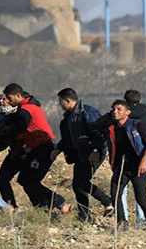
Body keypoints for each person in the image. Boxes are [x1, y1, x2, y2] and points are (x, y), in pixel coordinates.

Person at [0, 83, 69, 213]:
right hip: (32, 148)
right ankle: (43, 209)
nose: (7, 101)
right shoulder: (25, 107)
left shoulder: (25, 111)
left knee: (28, 181)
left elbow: (17, 131)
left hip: (41, 149)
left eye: (9, 98)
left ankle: (56, 204)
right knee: (24, 180)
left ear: (18, 96)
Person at [93, 100, 146, 231]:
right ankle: (122, 223)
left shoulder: (137, 125)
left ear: (127, 112)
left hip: (138, 166)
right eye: (113, 109)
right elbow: (96, 127)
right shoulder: (110, 128)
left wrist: (144, 162)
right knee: (115, 194)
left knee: (141, 198)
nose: (115, 112)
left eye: (119, 109)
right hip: (120, 166)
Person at [52, 88, 112, 222]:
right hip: (80, 154)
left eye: (61, 101)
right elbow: (68, 138)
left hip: (92, 153)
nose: (59, 104)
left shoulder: (87, 112)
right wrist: (58, 149)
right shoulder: (69, 117)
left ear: (68, 101)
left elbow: (98, 132)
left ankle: (107, 202)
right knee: (77, 185)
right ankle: (84, 216)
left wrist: (95, 151)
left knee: (81, 182)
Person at [120, 89, 146, 228]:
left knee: (120, 193)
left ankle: (123, 221)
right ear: (139, 100)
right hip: (142, 157)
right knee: (141, 196)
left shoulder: (123, 116)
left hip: (124, 159)